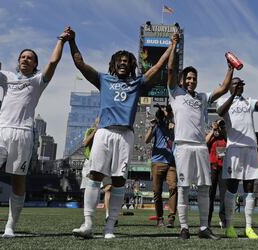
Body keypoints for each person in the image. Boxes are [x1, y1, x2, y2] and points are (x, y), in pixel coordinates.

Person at [0, 26, 70, 239]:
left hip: (23, 133)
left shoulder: (38, 81)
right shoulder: (6, 77)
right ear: (18, 61)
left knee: (18, 180)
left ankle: (10, 227)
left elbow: (54, 62)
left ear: (35, 64)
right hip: (0, 130)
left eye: (30, 58)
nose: (25, 60)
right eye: (22, 57)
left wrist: (61, 40)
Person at [69, 27, 177, 239]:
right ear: (113, 64)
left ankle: (110, 227)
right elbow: (80, 64)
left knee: (118, 180)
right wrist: (72, 42)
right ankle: (88, 224)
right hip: (104, 132)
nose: (123, 63)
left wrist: (172, 46)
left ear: (131, 65)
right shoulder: (103, 79)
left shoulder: (137, 83)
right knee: (95, 175)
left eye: (127, 61)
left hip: (125, 135)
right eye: (119, 60)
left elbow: (158, 66)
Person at [167, 35, 234, 240]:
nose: (191, 81)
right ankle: (184, 227)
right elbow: (169, 70)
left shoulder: (203, 97)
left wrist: (230, 68)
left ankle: (204, 228)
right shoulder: (175, 93)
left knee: (205, 188)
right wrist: (174, 45)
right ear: (181, 80)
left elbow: (222, 88)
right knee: (184, 188)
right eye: (188, 78)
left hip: (200, 147)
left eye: (194, 78)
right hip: (183, 146)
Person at [216, 65, 258, 239]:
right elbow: (220, 112)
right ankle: (230, 226)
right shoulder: (223, 101)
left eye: (241, 83)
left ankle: (249, 227)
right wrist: (232, 94)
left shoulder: (248, 102)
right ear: (230, 87)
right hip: (234, 148)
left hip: (250, 149)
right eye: (235, 83)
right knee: (233, 188)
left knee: (250, 188)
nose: (239, 85)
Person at [144, 106, 177, 228]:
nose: (166, 114)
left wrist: (174, 129)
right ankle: (159, 218)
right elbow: (146, 140)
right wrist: (152, 127)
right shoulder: (157, 125)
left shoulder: (175, 125)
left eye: (167, 111)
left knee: (173, 187)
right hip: (157, 162)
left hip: (171, 162)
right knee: (157, 192)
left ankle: (171, 219)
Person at [206, 119, 227, 228]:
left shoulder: (225, 136)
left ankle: (223, 220)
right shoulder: (211, 136)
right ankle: (207, 220)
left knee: (224, 195)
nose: (219, 126)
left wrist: (223, 129)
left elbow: (229, 139)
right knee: (210, 195)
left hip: (223, 168)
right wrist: (213, 131)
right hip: (212, 167)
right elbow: (205, 142)